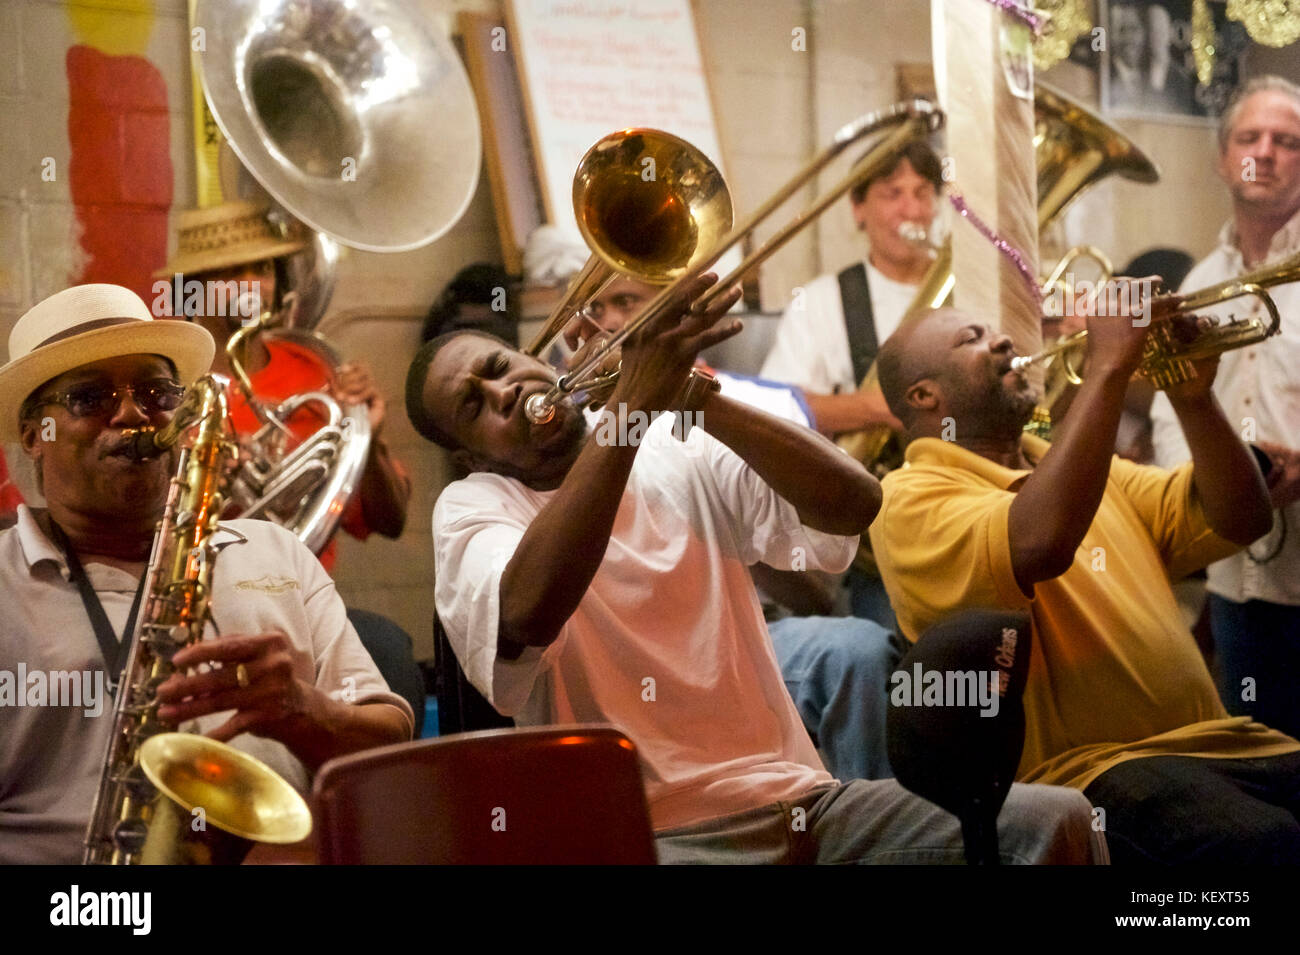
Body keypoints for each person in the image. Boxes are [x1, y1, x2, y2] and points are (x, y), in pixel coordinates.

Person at [407, 272, 1105, 864]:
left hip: (801, 801)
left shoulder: (675, 443)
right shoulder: (473, 508)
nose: (501, 392)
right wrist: (626, 410)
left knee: (1056, 823)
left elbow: (855, 505)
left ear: (532, 358)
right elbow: (529, 610)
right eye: (474, 404)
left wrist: (696, 397)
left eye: (498, 367)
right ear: (470, 455)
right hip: (646, 836)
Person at [869, 298, 1300, 863]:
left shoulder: (1083, 468)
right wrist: (1107, 367)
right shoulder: (908, 498)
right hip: (1089, 776)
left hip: (1225, 745)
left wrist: (1191, 397)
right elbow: (1040, 542)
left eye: (995, 331)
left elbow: (1243, 518)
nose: (1002, 340)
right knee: (1265, 846)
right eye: (972, 338)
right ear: (925, 397)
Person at [0, 284, 413, 864]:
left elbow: (390, 746)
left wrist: (302, 710)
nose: (131, 413)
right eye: (89, 397)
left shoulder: (278, 551)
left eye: (155, 392)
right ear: (33, 435)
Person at [567, 275, 902, 781]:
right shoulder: (566, 417)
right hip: (618, 641)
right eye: (594, 309)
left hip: (752, 626)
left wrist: (733, 536)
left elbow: (819, 592)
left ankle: (867, 815)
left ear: (676, 309)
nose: (609, 321)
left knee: (858, 650)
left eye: (626, 301)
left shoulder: (758, 402)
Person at [1149, 77, 1300, 741]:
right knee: (1261, 759)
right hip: (1235, 580)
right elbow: (1169, 409)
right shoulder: (1202, 281)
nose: (1264, 152)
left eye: (1287, 141)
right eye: (1249, 137)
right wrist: (1197, 490)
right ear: (1222, 158)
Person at [157, 199, 413, 567]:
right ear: (193, 290)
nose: (252, 287)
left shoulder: (317, 371)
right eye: (231, 273)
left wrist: (368, 441)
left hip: (305, 588)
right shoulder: (162, 389)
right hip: (200, 587)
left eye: (263, 270)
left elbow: (391, 522)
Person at [759, 140, 942, 629]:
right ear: (858, 209)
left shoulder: (977, 292)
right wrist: (881, 408)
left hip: (969, 517)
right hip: (880, 540)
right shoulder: (822, 301)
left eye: (923, 193)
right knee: (893, 656)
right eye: (892, 193)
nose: (912, 209)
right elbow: (777, 411)